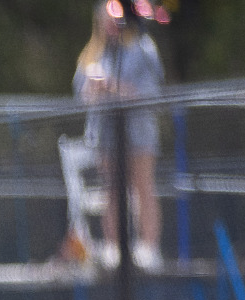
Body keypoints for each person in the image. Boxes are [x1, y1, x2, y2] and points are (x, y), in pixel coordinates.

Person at [75, 0, 166, 270]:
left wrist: (113, 87)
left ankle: (149, 248)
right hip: (105, 136)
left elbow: (151, 94)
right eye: (106, 17)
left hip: (139, 135)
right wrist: (93, 88)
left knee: (143, 188)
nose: (111, 23)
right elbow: (80, 96)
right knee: (112, 191)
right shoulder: (92, 55)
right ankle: (113, 249)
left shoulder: (143, 50)